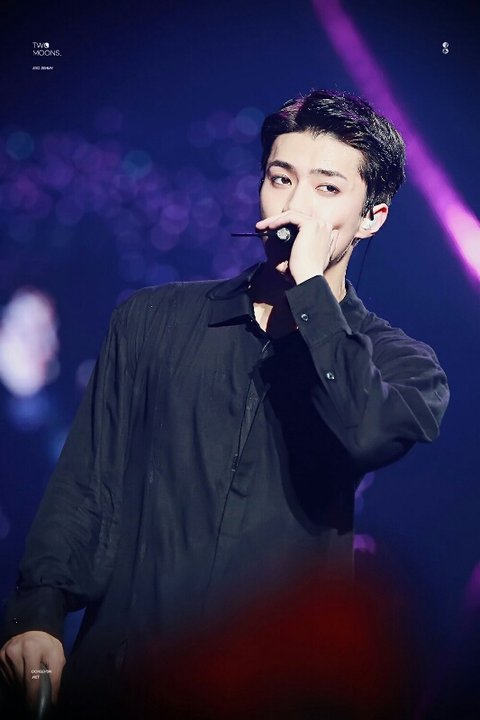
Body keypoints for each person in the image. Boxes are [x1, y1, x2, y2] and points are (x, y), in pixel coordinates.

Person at [0, 89, 449, 718]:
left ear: (372, 216)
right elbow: (89, 484)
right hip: (126, 677)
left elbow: (366, 431)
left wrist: (312, 293)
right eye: (280, 178)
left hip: (274, 691)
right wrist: (38, 613)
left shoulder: (401, 363)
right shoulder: (152, 319)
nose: (294, 206)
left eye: (327, 188)